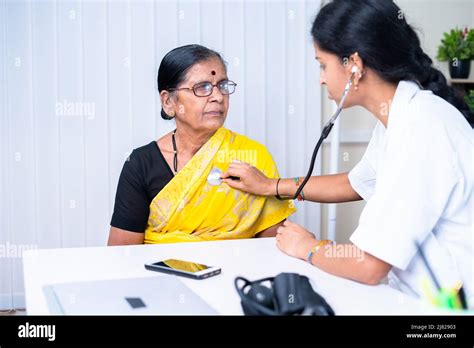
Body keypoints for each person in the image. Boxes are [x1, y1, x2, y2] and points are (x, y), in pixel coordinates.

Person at [221, 0, 473, 304]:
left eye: (322, 64)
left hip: (448, 310)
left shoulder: (421, 128)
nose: (321, 78)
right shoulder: (403, 114)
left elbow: (369, 266)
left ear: (354, 65)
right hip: (417, 294)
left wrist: (309, 248)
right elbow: (355, 183)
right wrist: (270, 186)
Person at [108, 44, 295, 245]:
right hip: (163, 274)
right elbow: (123, 254)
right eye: (202, 87)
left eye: (223, 86)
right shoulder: (140, 163)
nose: (218, 97)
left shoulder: (253, 156)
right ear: (169, 102)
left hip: (236, 274)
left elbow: (272, 249)